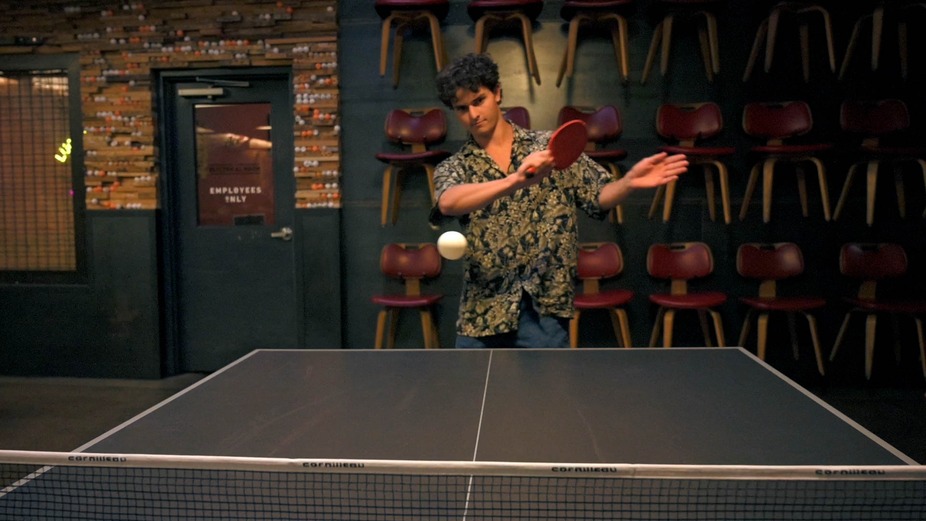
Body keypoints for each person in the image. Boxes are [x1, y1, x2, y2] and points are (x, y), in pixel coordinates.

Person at [431, 53, 688, 349]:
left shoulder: (550, 148)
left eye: (479, 100)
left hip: (544, 310)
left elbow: (598, 195)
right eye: (462, 109)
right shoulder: (454, 166)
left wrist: (628, 183)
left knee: (546, 395)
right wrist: (516, 179)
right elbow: (448, 202)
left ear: (498, 93)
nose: (473, 114)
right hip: (482, 312)